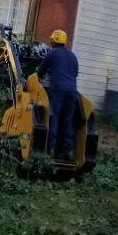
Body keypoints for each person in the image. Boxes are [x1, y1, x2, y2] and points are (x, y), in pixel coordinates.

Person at [37, 29, 79, 161]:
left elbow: (41, 72)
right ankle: (68, 150)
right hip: (73, 91)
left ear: (52, 41)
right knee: (67, 119)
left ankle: (52, 149)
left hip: (58, 90)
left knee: (54, 117)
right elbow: (75, 73)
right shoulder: (72, 56)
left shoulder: (52, 53)